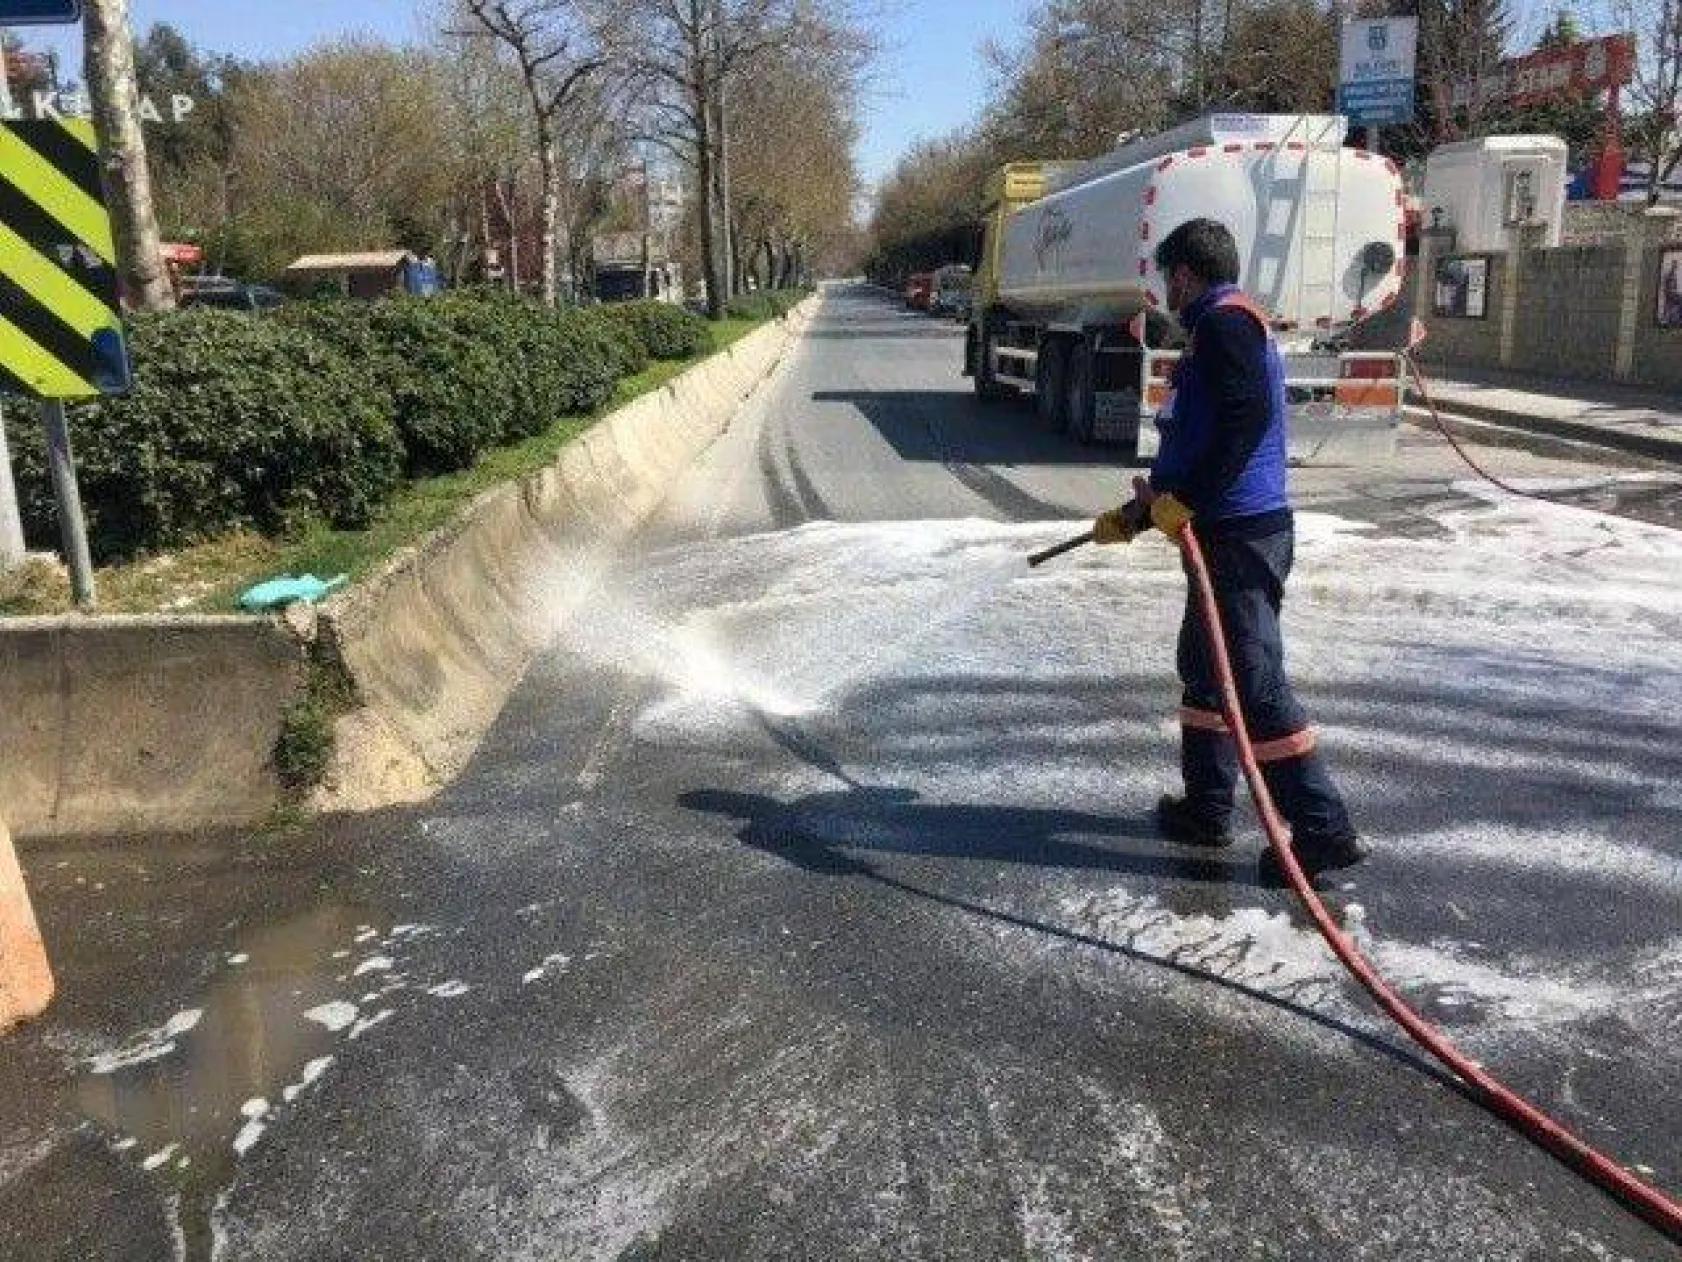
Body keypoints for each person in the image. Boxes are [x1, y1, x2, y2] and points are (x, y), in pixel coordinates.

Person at [1092, 217, 1366, 887]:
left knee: (1254, 683)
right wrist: (1139, 512)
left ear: (1184, 273)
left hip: (1243, 534)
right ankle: (1207, 806)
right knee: (1204, 668)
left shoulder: (1225, 323)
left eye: (1167, 278)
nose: (1165, 291)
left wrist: (1190, 499)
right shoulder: (1220, 325)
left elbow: (1246, 418)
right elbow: (1201, 434)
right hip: (1223, 531)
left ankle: (1323, 829)